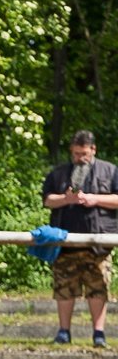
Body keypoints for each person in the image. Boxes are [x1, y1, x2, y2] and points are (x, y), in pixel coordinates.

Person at [41, 130, 118, 347]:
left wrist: (95, 199)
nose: (79, 158)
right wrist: (66, 199)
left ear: (93, 150)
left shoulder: (110, 171)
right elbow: (47, 200)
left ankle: (99, 334)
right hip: (65, 244)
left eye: (83, 153)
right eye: (75, 154)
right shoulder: (58, 174)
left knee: (98, 289)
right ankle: (64, 332)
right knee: (64, 289)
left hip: (99, 244)